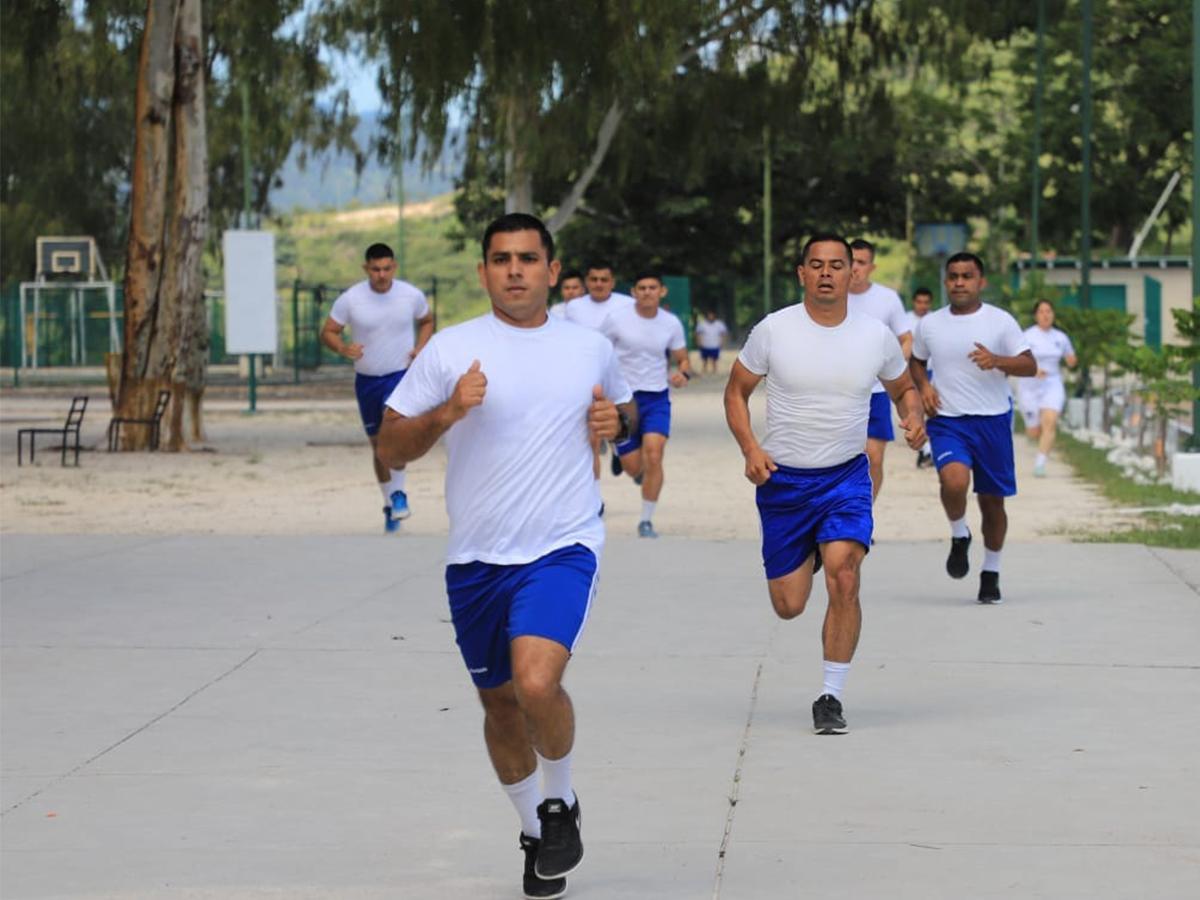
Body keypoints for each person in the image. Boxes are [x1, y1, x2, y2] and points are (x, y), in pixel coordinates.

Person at [376, 213, 635, 899]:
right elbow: (389, 446)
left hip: (564, 544)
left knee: (536, 684)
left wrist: (620, 424)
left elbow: (626, 414)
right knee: (498, 708)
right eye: (500, 259)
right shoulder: (450, 351)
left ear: (553, 271)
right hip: (475, 561)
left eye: (527, 258)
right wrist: (447, 414)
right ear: (483, 271)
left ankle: (561, 804)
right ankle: (532, 831)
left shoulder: (589, 347)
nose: (514, 269)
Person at [724, 234, 925, 735]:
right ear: (802, 273)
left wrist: (913, 414)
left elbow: (902, 387)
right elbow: (736, 391)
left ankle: (830, 696)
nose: (829, 273)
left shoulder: (874, 335)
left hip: (845, 476)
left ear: (854, 272)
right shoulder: (774, 330)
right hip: (783, 482)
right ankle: (811, 549)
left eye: (839, 265)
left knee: (845, 574)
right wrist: (751, 449)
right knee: (789, 605)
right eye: (818, 265)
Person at [909, 252, 1035, 605]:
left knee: (992, 503)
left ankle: (991, 571)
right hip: (948, 421)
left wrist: (997, 360)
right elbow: (916, 362)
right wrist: (925, 386)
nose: (960, 282)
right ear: (945, 282)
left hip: (993, 421)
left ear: (981, 281)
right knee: (953, 480)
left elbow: (1029, 364)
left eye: (967, 276)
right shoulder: (930, 324)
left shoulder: (1001, 322)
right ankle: (959, 533)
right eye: (953, 276)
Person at [321, 243, 433, 533]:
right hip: (367, 379)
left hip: (400, 376)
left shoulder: (410, 295)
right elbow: (328, 332)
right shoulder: (351, 299)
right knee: (378, 446)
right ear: (366, 268)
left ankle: (399, 494)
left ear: (394, 266)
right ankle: (389, 502)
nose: (381, 275)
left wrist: (421, 347)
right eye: (375, 269)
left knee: (394, 435)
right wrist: (343, 348)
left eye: (386, 268)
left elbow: (427, 320)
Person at [602, 271, 691, 538]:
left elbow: (683, 360)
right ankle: (622, 457)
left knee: (654, 454)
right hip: (623, 398)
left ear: (662, 291)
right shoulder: (617, 319)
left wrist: (682, 374)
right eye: (642, 288)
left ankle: (646, 520)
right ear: (633, 292)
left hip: (656, 397)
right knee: (634, 468)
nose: (647, 292)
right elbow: (599, 354)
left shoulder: (671, 323)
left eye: (653, 288)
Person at [848, 239, 912, 502]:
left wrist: (893, 369)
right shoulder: (829, 295)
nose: (855, 268)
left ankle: (864, 513)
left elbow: (906, 339)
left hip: (876, 392)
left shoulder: (887, 299)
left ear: (871, 267)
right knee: (840, 459)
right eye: (850, 260)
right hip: (838, 392)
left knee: (873, 458)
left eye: (861, 262)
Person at [1017, 299, 1077, 477]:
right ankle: (1034, 435)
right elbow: (1017, 359)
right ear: (1036, 316)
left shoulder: (1060, 337)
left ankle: (1040, 463)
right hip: (1029, 385)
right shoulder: (1027, 336)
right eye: (1042, 312)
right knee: (1034, 431)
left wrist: (1071, 361)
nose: (1046, 315)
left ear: (1053, 314)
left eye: (1049, 311)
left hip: (1052, 383)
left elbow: (1070, 357)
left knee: (1050, 422)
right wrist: (1033, 369)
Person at [906, 286, 936, 468]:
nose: (922, 306)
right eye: (919, 302)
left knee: (930, 408)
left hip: (932, 370)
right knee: (916, 409)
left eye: (926, 302)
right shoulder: (905, 320)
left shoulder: (935, 320)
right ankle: (925, 448)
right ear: (914, 302)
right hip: (911, 371)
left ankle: (926, 449)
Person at [563, 261, 635, 330]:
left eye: (604, 280)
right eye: (594, 279)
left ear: (613, 283)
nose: (598, 284)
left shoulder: (629, 304)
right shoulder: (573, 306)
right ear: (586, 282)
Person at [695, 309, 729, 374]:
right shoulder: (702, 324)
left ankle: (715, 371)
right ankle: (704, 371)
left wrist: (722, 342)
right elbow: (698, 334)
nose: (710, 317)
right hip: (705, 344)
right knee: (704, 359)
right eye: (709, 315)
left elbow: (723, 334)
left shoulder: (719, 324)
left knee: (715, 360)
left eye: (712, 315)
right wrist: (699, 342)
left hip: (715, 345)